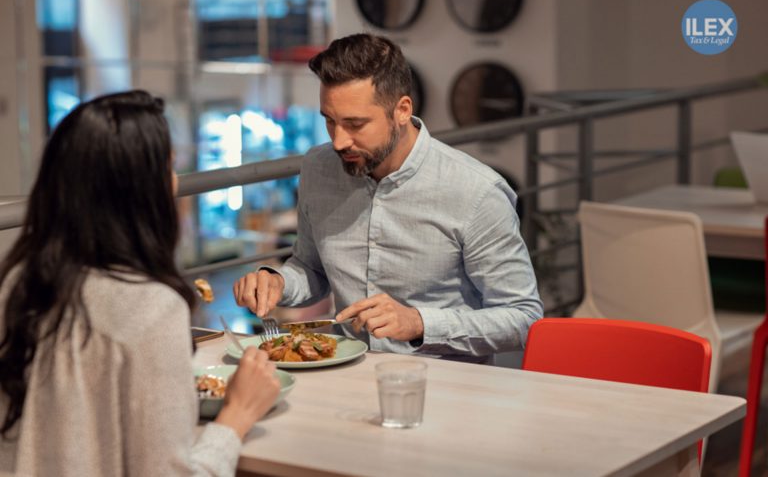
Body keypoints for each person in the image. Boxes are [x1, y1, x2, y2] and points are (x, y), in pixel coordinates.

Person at [0, 91, 280, 476]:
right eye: (169, 167)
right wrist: (237, 416)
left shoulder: (17, 283)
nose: (177, 182)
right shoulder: (151, 308)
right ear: (142, 191)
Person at [233, 33, 543, 364]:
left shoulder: (476, 192)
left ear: (402, 110)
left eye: (355, 124)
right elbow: (313, 268)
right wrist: (278, 282)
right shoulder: (318, 168)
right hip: (347, 374)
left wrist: (420, 323)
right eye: (329, 120)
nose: (338, 141)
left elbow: (524, 318)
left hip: (445, 387)